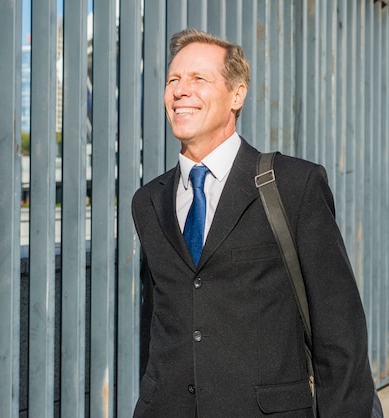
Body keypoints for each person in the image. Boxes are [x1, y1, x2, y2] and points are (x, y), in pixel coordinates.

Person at [131, 28, 376, 417]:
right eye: (173, 79)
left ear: (237, 94)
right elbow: (162, 323)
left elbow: (340, 330)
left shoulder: (294, 184)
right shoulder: (148, 201)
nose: (180, 90)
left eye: (198, 78)